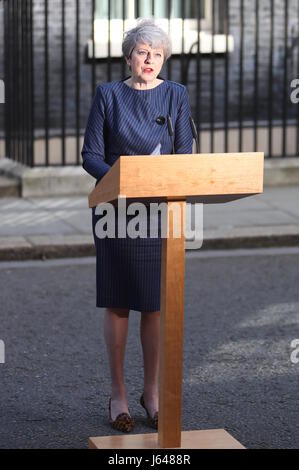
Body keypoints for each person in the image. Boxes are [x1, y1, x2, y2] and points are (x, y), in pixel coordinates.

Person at [81, 17, 193, 433]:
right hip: (115, 208)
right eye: (143, 52)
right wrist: (123, 181)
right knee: (117, 301)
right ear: (129, 56)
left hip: (159, 210)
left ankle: (151, 392)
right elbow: (90, 154)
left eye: (158, 54)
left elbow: (185, 153)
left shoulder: (176, 95)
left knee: (153, 303)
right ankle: (118, 395)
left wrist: (160, 178)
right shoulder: (107, 95)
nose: (150, 59)